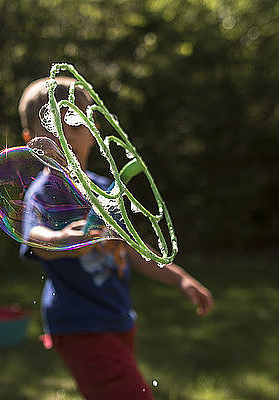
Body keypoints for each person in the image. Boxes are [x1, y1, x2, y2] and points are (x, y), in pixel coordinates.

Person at [18, 77, 214, 400]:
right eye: (52, 132)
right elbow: (35, 237)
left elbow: (131, 248)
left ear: (93, 132)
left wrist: (180, 279)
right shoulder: (44, 194)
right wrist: (60, 239)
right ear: (31, 141)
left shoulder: (104, 189)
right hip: (80, 325)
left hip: (118, 318)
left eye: (74, 126)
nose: (65, 139)